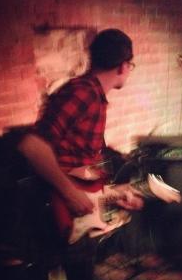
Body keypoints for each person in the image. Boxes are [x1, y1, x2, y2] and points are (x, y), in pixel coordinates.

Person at [18, 28, 144, 241]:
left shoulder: (93, 95)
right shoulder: (84, 93)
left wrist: (113, 195)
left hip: (74, 208)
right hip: (55, 210)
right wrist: (70, 193)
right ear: (124, 66)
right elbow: (31, 145)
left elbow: (76, 164)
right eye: (130, 66)